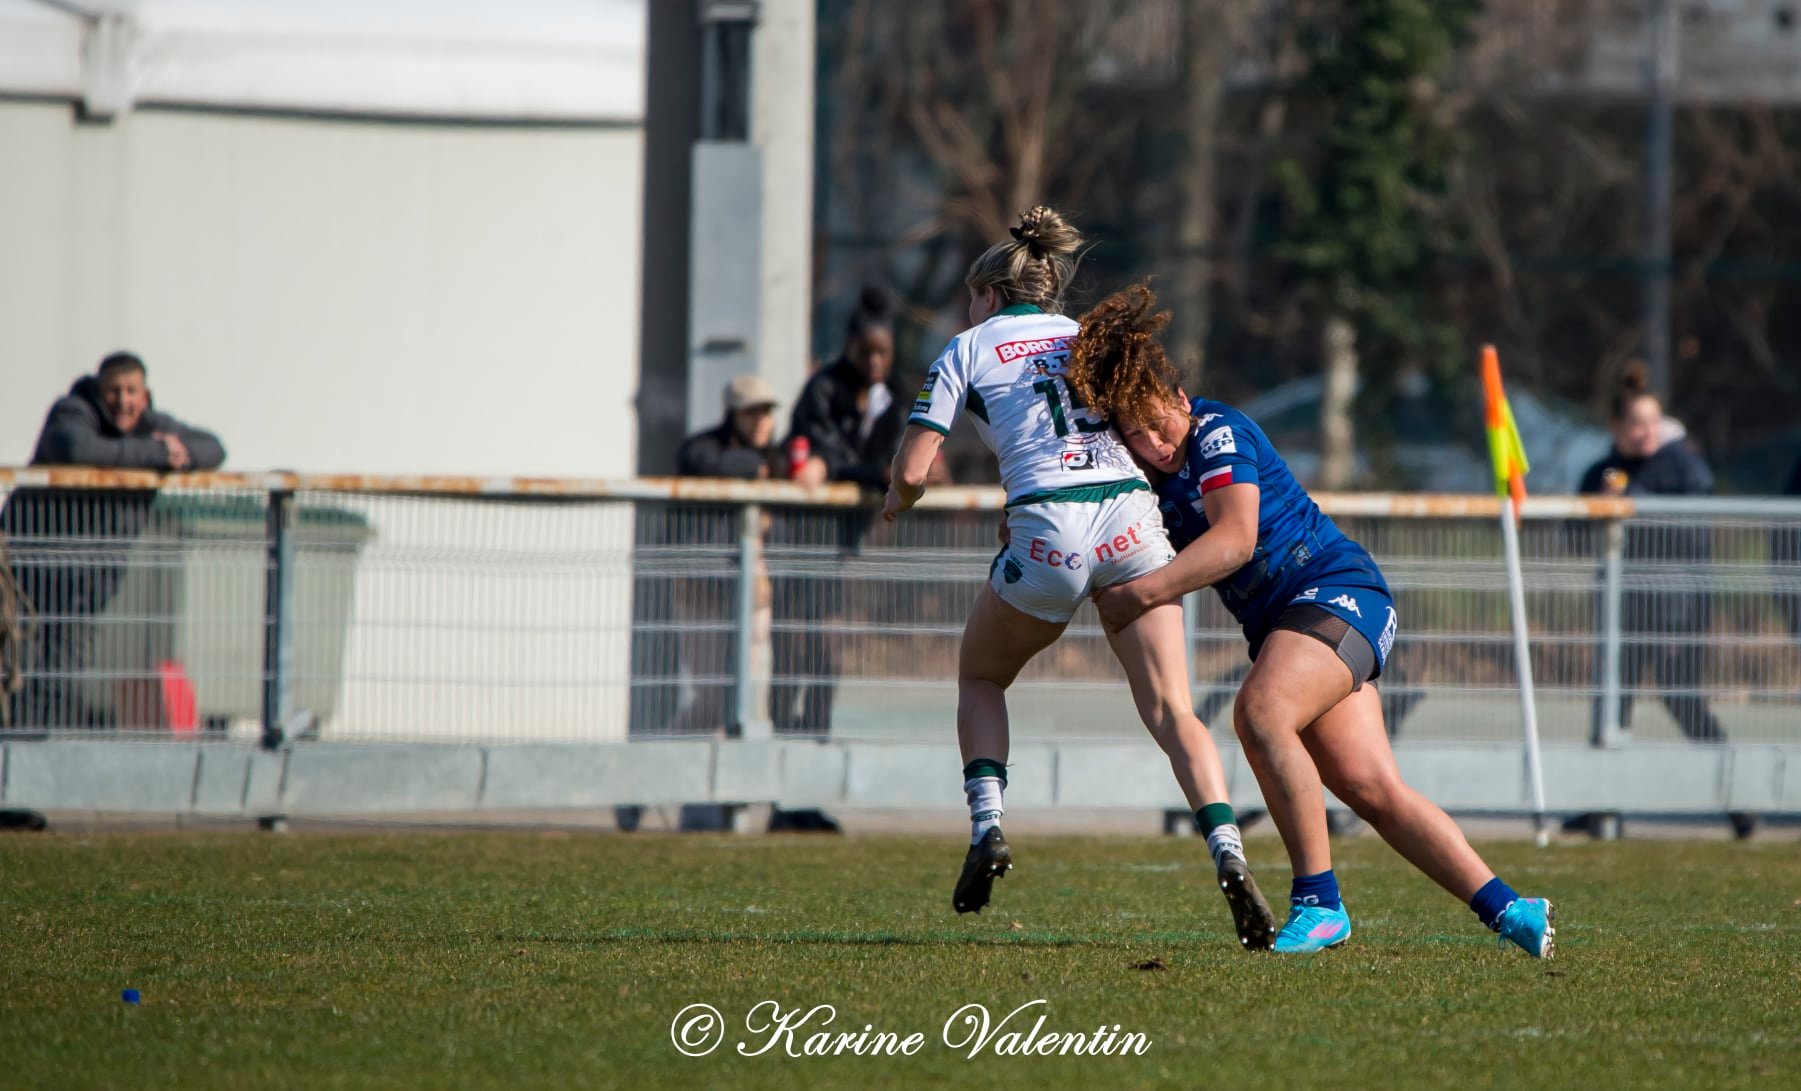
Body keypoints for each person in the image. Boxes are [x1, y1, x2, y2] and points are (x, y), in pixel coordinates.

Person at [1072, 284, 1554, 958]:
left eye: (1158, 421)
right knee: (1370, 787)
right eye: (1135, 433)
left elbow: (1234, 541)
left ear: (1180, 398)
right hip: (1291, 623)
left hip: (1338, 592)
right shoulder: (1147, 476)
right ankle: (1510, 909)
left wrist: (1142, 594)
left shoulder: (1217, 431)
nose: (1152, 442)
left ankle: (1318, 900)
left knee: (1261, 711)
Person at [882, 208, 1276, 951]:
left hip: (1049, 533)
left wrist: (892, 502)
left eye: (972, 298)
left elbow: (912, 471)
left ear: (990, 295)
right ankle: (1228, 848)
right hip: (1131, 521)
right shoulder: (1084, 337)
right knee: (1173, 713)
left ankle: (988, 825)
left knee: (981, 678)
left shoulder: (967, 346)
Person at [4, 352, 226, 729]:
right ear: (98, 390)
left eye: (131, 392)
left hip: (90, 582)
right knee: (21, 663)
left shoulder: (153, 423)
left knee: (66, 670)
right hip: (31, 573)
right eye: (113, 391)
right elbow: (78, 449)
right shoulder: (72, 412)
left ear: (145, 395)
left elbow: (214, 448)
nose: (122, 401)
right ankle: (17, 749)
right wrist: (157, 454)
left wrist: (178, 453)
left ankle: (51, 750)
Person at [1578, 362, 1752, 839]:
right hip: (1622, 613)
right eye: (1635, 424)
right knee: (1612, 708)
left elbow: (1693, 530)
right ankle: (1598, 807)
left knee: (1684, 704)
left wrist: (1638, 500)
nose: (1644, 432)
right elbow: (1574, 536)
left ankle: (1740, 798)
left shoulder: (1683, 464)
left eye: (1651, 422)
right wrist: (1596, 506)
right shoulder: (1603, 469)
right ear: (1616, 427)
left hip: (1677, 612)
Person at [767, 290, 904, 737]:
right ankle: (783, 739)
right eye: (866, 351)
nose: (875, 361)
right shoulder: (823, 388)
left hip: (844, 540)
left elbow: (898, 454)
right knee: (791, 646)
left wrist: (913, 469)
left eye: (883, 352)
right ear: (849, 345)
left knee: (828, 649)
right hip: (802, 537)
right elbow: (821, 459)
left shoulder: (890, 398)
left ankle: (815, 741)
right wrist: (876, 472)